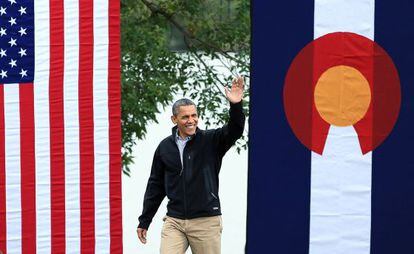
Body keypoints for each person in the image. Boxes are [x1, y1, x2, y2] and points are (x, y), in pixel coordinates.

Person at [137, 77, 246, 254]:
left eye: (194, 115)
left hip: (205, 221)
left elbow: (235, 129)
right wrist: (145, 220)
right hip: (174, 221)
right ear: (174, 119)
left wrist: (236, 105)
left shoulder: (211, 140)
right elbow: (155, 185)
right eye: (185, 117)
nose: (191, 120)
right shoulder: (165, 147)